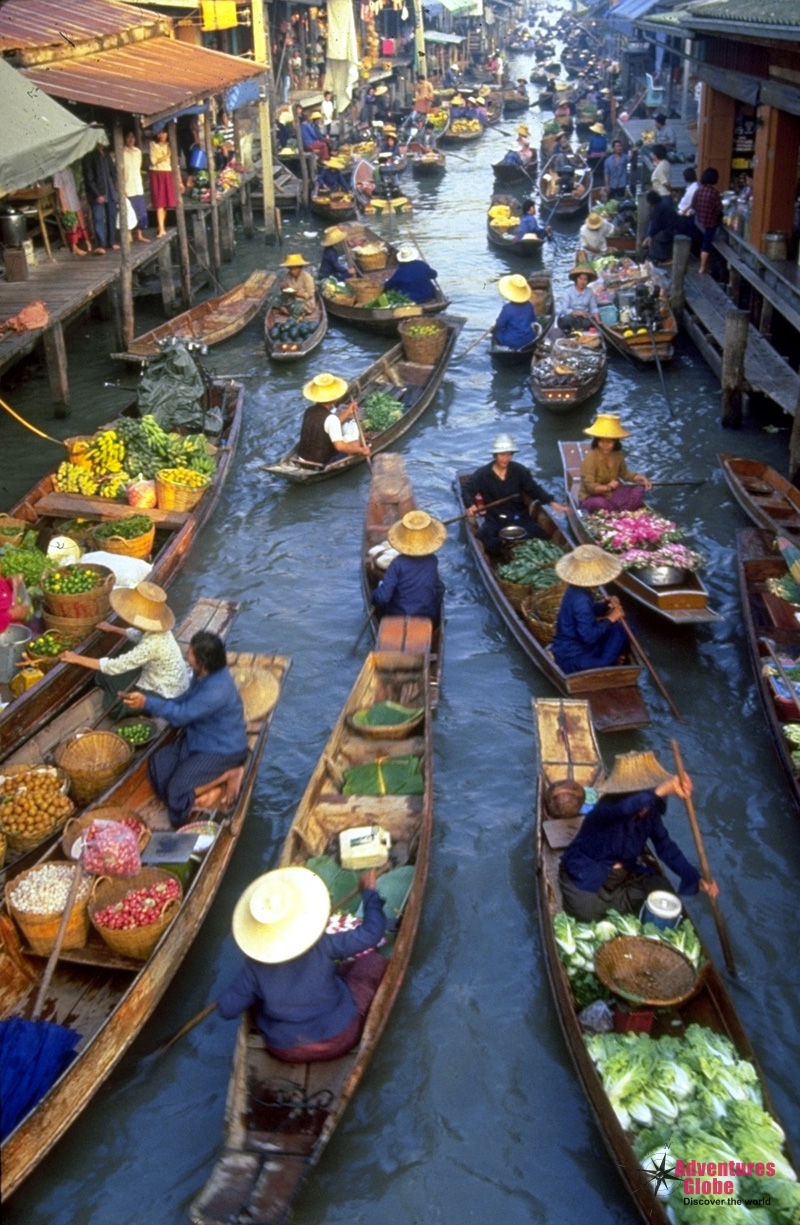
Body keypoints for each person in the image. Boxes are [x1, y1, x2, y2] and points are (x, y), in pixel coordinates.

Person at [217, 866, 387, 1062]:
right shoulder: (320, 944)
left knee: (254, 998)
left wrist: (231, 994)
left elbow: (226, 1009)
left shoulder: (254, 967)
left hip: (285, 1050)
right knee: (372, 962)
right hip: (340, 1037)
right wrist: (369, 893)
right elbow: (371, 933)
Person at [558, 748, 719, 922]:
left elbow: (666, 847)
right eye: (644, 797)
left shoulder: (650, 814)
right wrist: (663, 789)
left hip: (623, 879)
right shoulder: (606, 809)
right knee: (587, 914)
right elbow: (626, 808)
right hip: (587, 878)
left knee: (663, 890)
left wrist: (695, 878)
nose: (646, 808)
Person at [123, 630, 248, 828]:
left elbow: (181, 715)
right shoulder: (203, 675)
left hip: (222, 750)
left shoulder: (216, 692)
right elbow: (186, 701)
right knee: (158, 765)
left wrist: (147, 703)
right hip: (200, 737)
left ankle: (229, 774)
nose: (187, 656)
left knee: (176, 793)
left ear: (203, 662)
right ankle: (203, 790)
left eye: (190, 653)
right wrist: (157, 702)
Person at [61, 581, 189, 711]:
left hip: (167, 693)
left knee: (113, 704)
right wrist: (112, 628)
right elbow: (138, 634)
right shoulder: (158, 629)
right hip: (172, 679)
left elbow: (113, 666)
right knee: (118, 662)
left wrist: (75, 658)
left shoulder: (152, 644)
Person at [465, 434, 568, 557]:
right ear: (495, 455)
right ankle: (503, 555)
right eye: (502, 455)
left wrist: (552, 502)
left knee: (541, 535)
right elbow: (467, 489)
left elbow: (534, 489)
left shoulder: (519, 471)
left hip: (517, 514)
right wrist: (470, 504)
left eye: (509, 454)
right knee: (486, 540)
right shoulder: (482, 474)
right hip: (494, 517)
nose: (506, 459)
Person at [550, 544, 628, 677]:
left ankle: (616, 655)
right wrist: (611, 618)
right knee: (620, 630)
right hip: (572, 655)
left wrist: (605, 605)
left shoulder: (577, 590)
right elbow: (589, 637)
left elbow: (588, 612)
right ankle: (611, 660)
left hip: (571, 646)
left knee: (623, 628)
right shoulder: (581, 599)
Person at [371, 510, 446, 624]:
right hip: (428, 614)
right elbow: (439, 589)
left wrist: (373, 597)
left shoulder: (398, 563)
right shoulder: (432, 561)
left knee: (381, 591)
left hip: (398, 614)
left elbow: (383, 597)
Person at [577, 412, 652, 511]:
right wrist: (608, 487)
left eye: (609, 442)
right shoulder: (590, 459)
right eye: (602, 441)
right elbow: (590, 487)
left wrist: (640, 478)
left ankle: (619, 510)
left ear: (615, 442)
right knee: (601, 504)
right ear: (597, 442)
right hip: (593, 496)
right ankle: (621, 510)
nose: (605, 445)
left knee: (638, 490)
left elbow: (624, 473)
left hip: (613, 493)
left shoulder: (617, 454)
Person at [297, 373, 371, 467]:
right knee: (355, 441)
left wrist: (348, 412)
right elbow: (340, 447)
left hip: (302, 457)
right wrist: (362, 450)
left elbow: (328, 425)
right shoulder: (331, 419)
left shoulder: (309, 411)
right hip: (322, 462)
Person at [83, 140, 118, 255]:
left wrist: (115, 183)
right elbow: (89, 177)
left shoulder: (106, 153)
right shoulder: (89, 155)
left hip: (110, 189)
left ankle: (111, 241)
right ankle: (101, 244)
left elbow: (112, 170)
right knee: (98, 218)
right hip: (98, 191)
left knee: (111, 215)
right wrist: (97, 194)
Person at [493, 274, 540, 350]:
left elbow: (499, 325)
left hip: (512, 341)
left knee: (496, 334)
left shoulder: (507, 308)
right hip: (529, 338)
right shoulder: (530, 305)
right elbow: (534, 320)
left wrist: (495, 328)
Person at [148, 127, 177, 239]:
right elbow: (153, 161)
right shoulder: (153, 144)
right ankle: (162, 229)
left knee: (165, 203)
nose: (162, 135)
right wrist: (166, 156)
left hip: (167, 172)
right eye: (160, 132)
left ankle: (161, 227)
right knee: (159, 203)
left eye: (164, 132)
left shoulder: (170, 145)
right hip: (157, 173)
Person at [694, 167, 723, 275]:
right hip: (711, 222)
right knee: (706, 244)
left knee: (704, 242)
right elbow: (718, 208)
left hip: (700, 219)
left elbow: (694, 204)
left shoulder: (699, 190)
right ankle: (702, 267)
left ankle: (703, 264)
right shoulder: (714, 193)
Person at [122, 131, 150, 243]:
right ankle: (129, 234)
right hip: (127, 188)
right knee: (129, 213)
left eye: (132, 137)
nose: (130, 139)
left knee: (142, 214)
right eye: (128, 137)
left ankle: (139, 234)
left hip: (137, 187)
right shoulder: (121, 153)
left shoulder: (138, 152)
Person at [557, 266, 598, 333]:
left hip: (584, 319)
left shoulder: (589, 291)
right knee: (567, 319)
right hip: (571, 317)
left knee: (590, 322)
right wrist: (579, 313)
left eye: (585, 279)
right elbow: (565, 309)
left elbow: (593, 307)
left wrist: (598, 320)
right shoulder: (568, 292)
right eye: (580, 279)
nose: (582, 282)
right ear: (576, 279)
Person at [642, 188, 677, 264]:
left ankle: (662, 258)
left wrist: (650, 236)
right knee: (653, 236)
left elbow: (655, 224)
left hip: (670, 230)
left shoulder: (659, 207)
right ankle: (657, 257)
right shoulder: (662, 204)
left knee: (655, 239)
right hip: (670, 228)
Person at [676, 166, 698, 238]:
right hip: (684, 212)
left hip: (688, 214)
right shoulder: (691, 186)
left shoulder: (695, 187)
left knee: (687, 234)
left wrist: (685, 210)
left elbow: (693, 202)